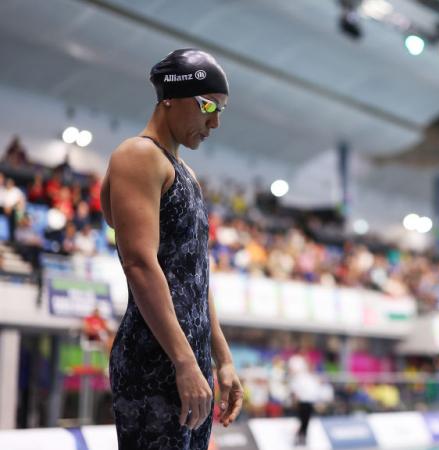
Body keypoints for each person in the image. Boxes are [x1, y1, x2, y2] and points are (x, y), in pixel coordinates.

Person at [101, 49, 242, 450]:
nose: (215, 121)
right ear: (171, 97)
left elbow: (195, 275)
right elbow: (140, 263)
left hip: (188, 360)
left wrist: (222, 359)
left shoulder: (185, 173)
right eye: (208, 105)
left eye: (222, 110)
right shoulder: (138, 155)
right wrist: (183, 361)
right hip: (155, 359)